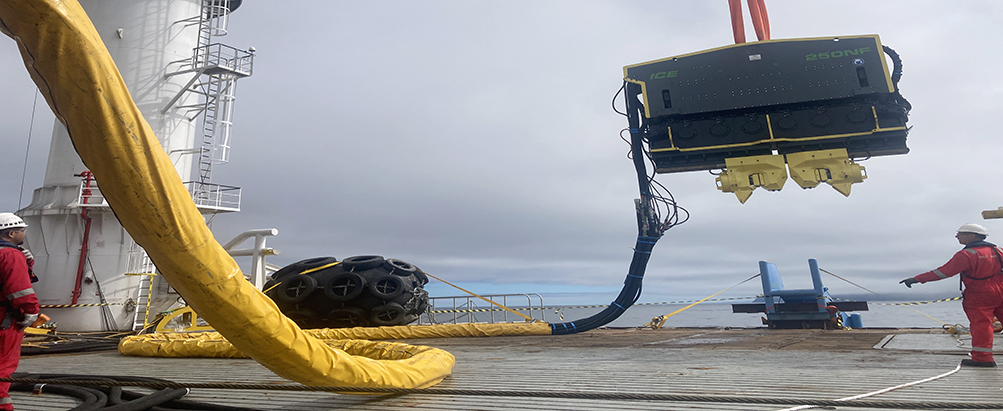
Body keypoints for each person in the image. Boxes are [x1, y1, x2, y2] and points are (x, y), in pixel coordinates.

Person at [900, 223, 1003, 367]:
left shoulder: (967, 254)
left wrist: (917, 279)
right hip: (1001, 290)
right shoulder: (999, 250)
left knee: (982, 324)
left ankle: (983, 359)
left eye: (960, 234)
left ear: (971, 236)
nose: (957, 236)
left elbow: (944, 272)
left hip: (979, 293)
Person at [0, 213, 39, 410]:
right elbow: (19, 289)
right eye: (22, 231)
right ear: (11, 233)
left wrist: (27, 263)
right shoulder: (11, 254)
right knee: (3, 365)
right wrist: (31, 310)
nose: (24, 234)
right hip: (4, 320)